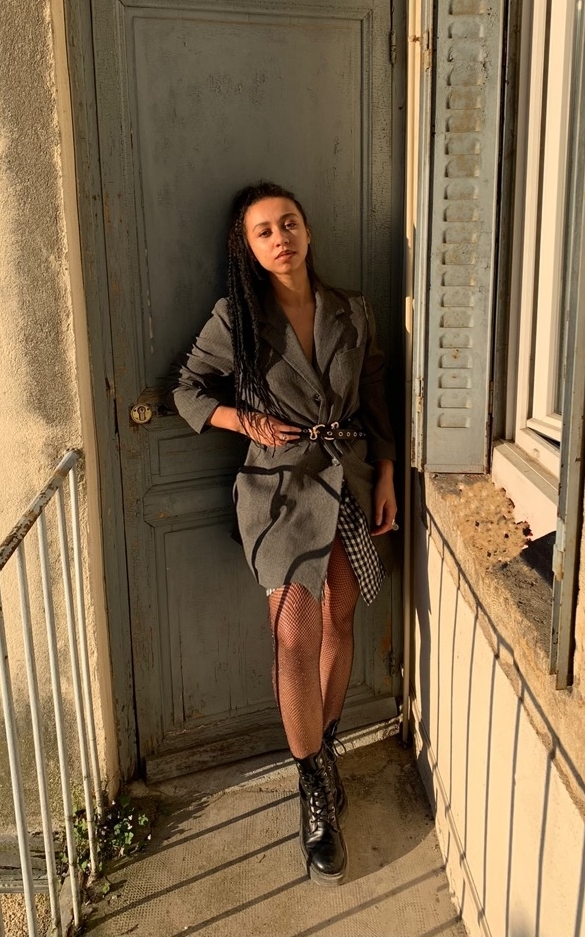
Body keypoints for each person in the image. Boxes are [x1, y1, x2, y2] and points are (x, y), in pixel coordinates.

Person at [170, 182, 397, 885]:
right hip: (277, 490)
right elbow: (186, 388)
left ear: (308, 230)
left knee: (340, 616)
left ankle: (322, 749)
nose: (281, 238)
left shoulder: (351, 309)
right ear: (248, 247)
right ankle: (313, 784)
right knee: (293, 634)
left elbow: (375, 392)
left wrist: (387, 473)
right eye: (264, 231)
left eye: (288, 223)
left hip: (350, 476)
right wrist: (244, 420)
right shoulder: (236, 318)